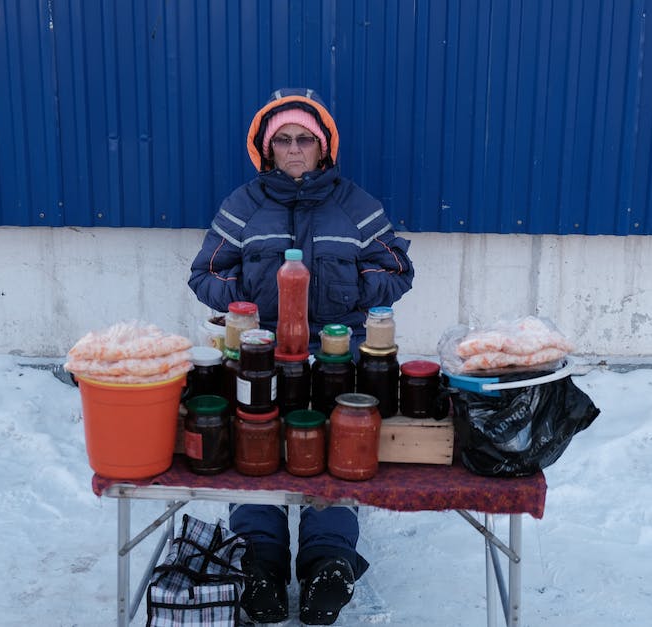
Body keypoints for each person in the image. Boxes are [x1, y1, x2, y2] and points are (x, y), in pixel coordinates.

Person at [188, 88, 415, 625]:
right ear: (267, 151)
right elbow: (206, 274)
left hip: (339, 360)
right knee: (256, 448)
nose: (294, 150)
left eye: (304, 140)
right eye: (283, 141)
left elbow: (395, 269)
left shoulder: (357, 207)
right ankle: (259, 560)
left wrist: (351, 295)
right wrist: (244, 299)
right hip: (260, 358)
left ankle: (327, 562)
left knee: (337, 456)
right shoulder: (242, 207)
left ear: (323, 148)